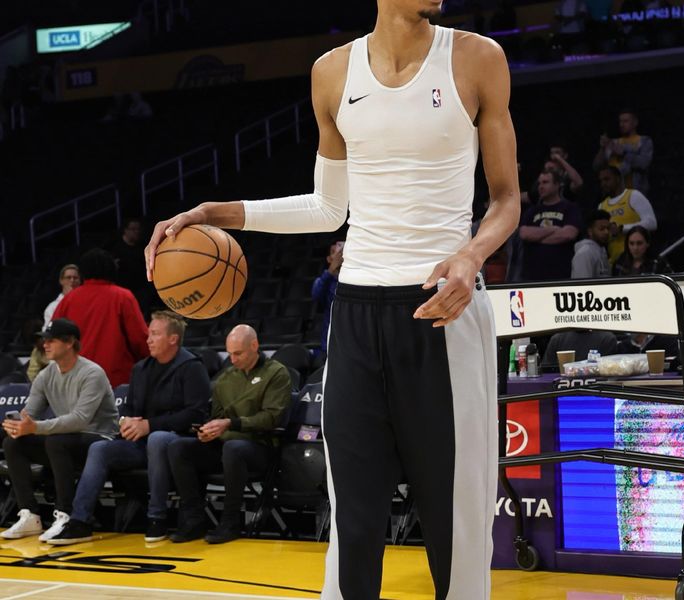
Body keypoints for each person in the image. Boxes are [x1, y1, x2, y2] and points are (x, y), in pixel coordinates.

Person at [145, 2, 520, 597]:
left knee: (459, 516)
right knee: (354, 513)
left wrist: (472, 256)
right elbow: (328, 207)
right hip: (355, 315)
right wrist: (212, 213)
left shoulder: (478, 57)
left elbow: (506, 200)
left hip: (442, 309)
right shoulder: (332, 72)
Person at [48, 311, 210, 545]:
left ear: (173, 339)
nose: (148, 339)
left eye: (155, 334)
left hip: (178, 444)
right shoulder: (141, 369)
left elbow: (196, 414)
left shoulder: (192, 367)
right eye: (149, 334)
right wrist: (126, 421)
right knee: (100, 448)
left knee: (158, 439)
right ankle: (79, 521)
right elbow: (131, 408)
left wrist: (149, 425)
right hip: (142, 443)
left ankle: (157, 517)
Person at [168, 324, 292, 544]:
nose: (232, 359)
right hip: (226, 446)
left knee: (234, 448)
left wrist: (230, 423)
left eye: (238, 353)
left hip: (260, 447)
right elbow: (216, 417)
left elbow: (272, 418)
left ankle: (230, 521)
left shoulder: (277, 373)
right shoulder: (225, 379)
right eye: (229, 354)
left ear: (254, 346)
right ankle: (194, 518)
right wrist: (208, 431)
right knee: (179, 448)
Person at [1, 319, 118, 542]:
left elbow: (81, 420)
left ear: (70, 342)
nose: (44, 344)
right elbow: (31, 413)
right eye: (44, 339)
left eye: (51, 340)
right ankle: (30, 515)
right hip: (66, 442)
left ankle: (65, 514)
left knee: (56, 440)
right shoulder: (45, 376)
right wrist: (18, 425)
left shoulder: (92, 373)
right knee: (13, 443)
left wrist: (36, 428)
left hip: (100, 441)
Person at [53, 248, 149, 387]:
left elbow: (54, 339)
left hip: (76, 381)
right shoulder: (122, 297)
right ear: (111, 269)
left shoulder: (68, 300)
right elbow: (139, 339)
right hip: (116, 381)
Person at [518, 169, 581, 281]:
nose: (541, 186)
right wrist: (553, 229)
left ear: (557, 185)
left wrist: (536, 238)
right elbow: (524, 234)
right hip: (532, 276)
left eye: (545, 182)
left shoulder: (569, 208)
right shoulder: (532, 211)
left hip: (561, 274)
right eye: (539, 183)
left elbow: (569, 234)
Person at [597, 165, 657, 264]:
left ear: (618, 179)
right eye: (601, 181)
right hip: (614, 263)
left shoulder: (633, 196)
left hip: (636, 261)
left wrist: (622, 228)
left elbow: (652, 223)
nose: (603, 184)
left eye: (607, 179)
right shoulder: (601, 206)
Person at [593, 109, 654, 194]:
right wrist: (602, 149)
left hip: (636, 194)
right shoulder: (613, 143)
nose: (621, 124)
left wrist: (623, 154)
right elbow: (597, 167)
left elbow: (644, 163)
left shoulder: (644, 141)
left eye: (625, 121)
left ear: (635, 122)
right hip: (614, 195)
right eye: (620, 121)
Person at [107, 217, 150, 313]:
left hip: (140, 289)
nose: (137, 232)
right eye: (133, 229)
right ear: (125, 230)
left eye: (138, 229)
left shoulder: (143, 246)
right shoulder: (115, 247)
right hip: (122, 289)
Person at [311, 241, 344, 353]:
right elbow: (316, 295)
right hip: (330, 339)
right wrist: (331, 269)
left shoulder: (354, 278)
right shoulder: (324, 281)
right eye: (334, 252)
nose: (340, 254)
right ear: (329, 259)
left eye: (342, 250)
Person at [572, 209, 611, 279]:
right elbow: (582, 285)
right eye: (602, 229)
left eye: (608, 228)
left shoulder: (602, 250)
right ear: (590, 231)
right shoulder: (585, 253)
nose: (606, 232)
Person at [42, 264, 80, 329]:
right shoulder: (53, 307)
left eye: (75, 278)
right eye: (68, 277)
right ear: (61, 281)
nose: (72, 280)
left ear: (80, 281)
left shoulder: (86, 303)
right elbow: (48, 331)